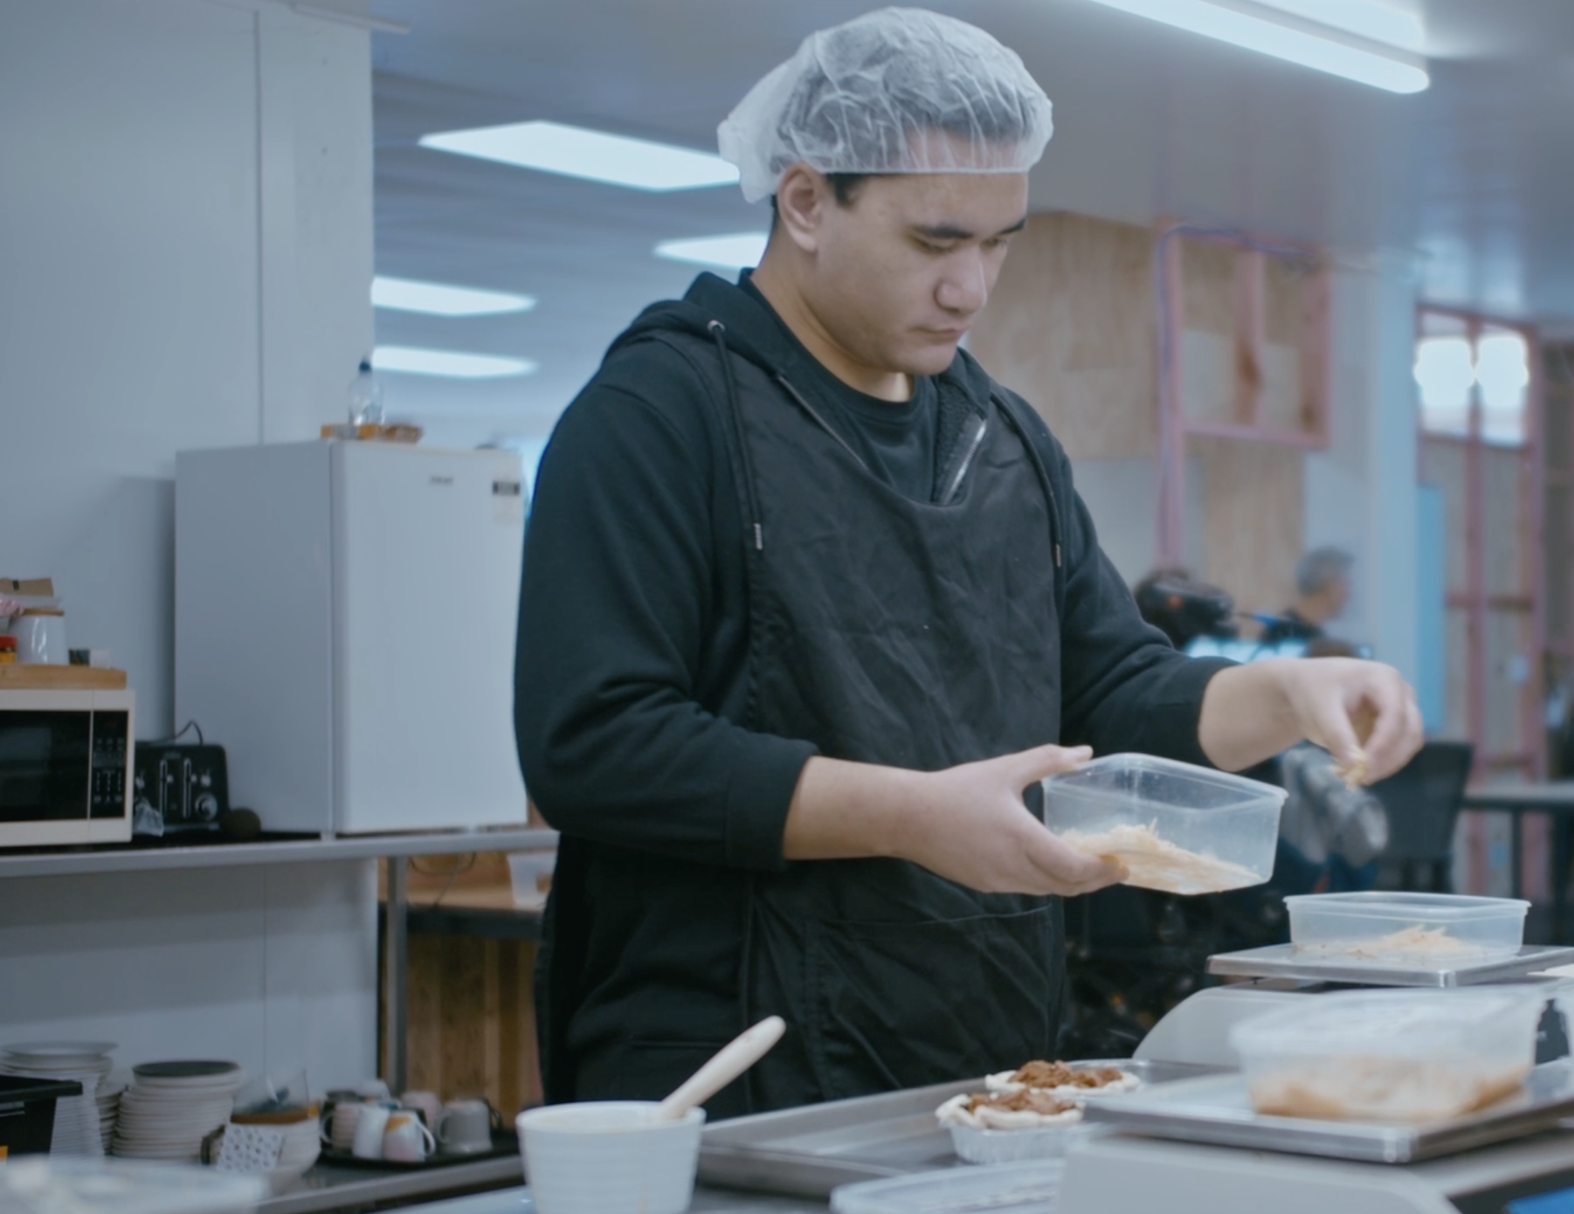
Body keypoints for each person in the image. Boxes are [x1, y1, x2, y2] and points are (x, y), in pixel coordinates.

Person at [514, 8, 1423, 1115]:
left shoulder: (1002, 440)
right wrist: (908, 813)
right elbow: (594, 742)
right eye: (935, 242)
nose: (971, 288)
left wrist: (1285, 689)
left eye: (999, 243)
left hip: (979, 1057)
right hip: (734, 1068)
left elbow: (1113, 696)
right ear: (805, 199)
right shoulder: (661, 415)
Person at [1259, 546, 1353, 645]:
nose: (1349, 594)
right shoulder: (1282, 634)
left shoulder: (1316, 636)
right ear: (1329, 585)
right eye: (1345, 583)